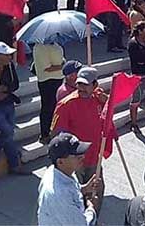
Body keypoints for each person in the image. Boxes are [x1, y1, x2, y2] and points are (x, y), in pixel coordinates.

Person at [51, 67, 107, 210]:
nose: (81, 88)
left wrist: (106, 101)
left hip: (94, 157)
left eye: (85, 84)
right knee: (75, 197)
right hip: (74, 160)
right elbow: (56, 135)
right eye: (79, 84)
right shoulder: (66, 105)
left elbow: (109, 109)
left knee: (97, 193)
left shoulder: (98, 99)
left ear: (95, 85)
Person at [37, 133, 101, 226]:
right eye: (76, 156)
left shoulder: (62, 171)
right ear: (60, 161)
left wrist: (84, 189)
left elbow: (71, 190)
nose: (82, 157)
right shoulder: (58, 194)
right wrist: (92, 209)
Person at [0, 42, 23, 175]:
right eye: (6, 55)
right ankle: (15, 165)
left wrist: (5, 89)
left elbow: (15, 84)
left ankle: (14, 166)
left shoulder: (10, 66)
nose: (10, 57)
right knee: (7, 132)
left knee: (8, 135)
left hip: (8, 102)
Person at [33, 42, 64, 144]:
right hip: (47, 81)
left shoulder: (55, 43)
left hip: (58, 79)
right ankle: (45, 134)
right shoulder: (39, 48)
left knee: (55, 107)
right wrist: (63, 66)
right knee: (47, 108)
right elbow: (47, 68)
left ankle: (54, 131)